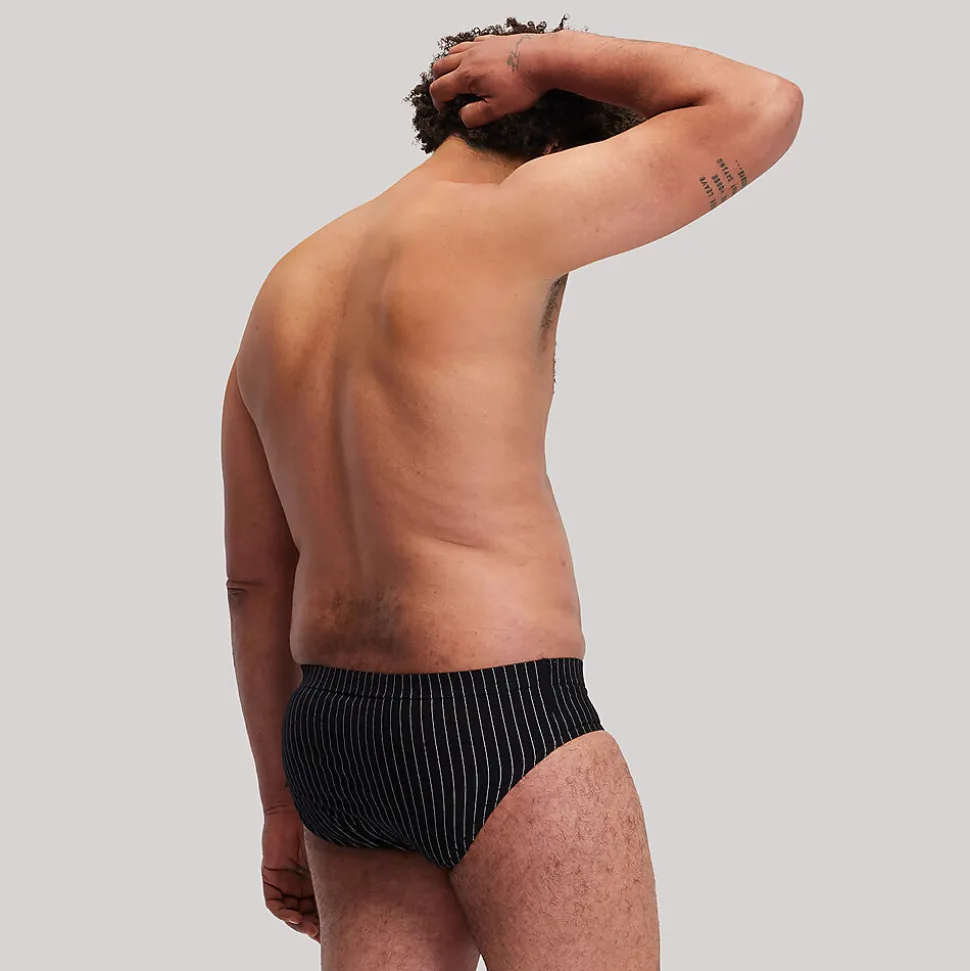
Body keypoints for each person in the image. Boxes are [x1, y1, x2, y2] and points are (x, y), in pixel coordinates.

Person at [221, 16, 802, 970]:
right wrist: (541, 59)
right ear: (572, 130)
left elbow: (253, 581)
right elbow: (763, 104)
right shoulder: (514, 214)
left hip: (333, 737)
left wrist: (282, 801)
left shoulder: (286, 286)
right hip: (500, 713)